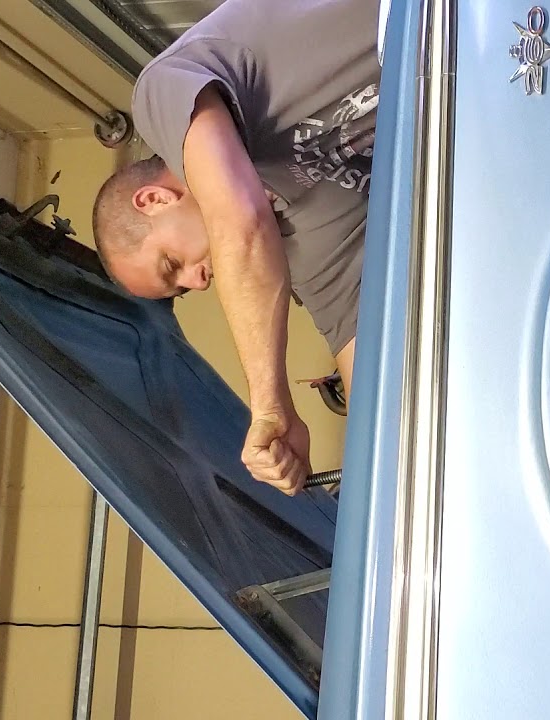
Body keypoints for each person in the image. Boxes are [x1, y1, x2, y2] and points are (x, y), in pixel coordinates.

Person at [92, 0, 381, 496]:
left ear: (155, 199)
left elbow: (239, 222)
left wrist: (269, 404)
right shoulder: (296, 245)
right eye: (182, 289)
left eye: (171, 265)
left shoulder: (162, 95)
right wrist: (375, 468)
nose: (197, 281)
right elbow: (370, 362)